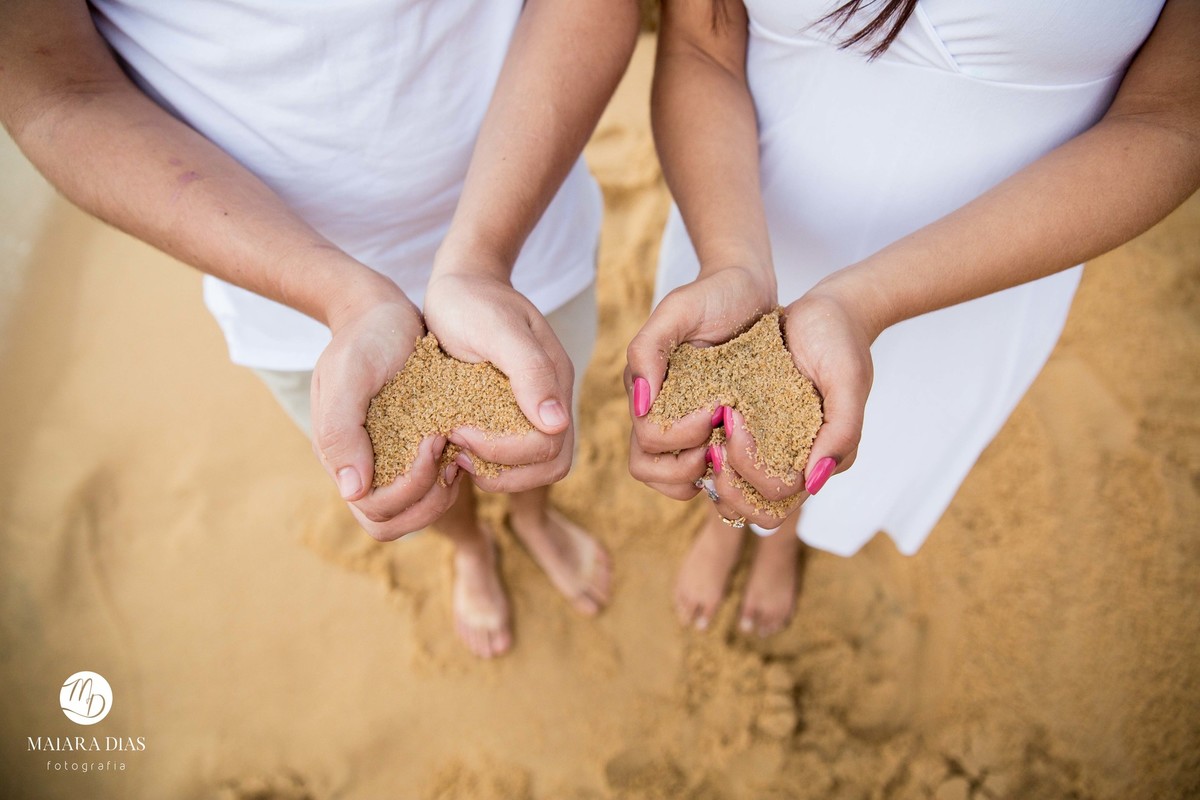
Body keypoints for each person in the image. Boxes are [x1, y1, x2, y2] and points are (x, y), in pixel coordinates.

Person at [0, 0, 640, 659]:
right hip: (280, 276)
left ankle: (536, 521)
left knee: (531, 428)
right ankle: (471, 550)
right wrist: (341, 296)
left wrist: (481, 255)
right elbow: (58, 93)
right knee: (413, 475)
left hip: (523, 213)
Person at [628, 0, 1200, 637]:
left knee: (866, 425)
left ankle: (782, 531)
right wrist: (734, 260)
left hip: (980, 265)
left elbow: (1174, 115)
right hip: (742, 207)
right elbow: (702, 38)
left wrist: (864, 301)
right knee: (734, 410)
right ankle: (731, 517)